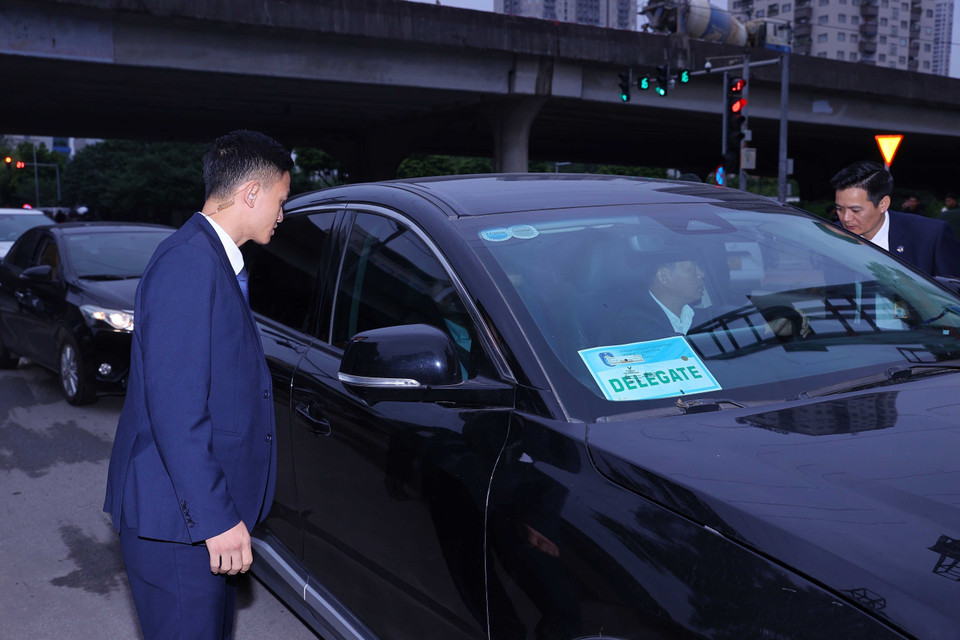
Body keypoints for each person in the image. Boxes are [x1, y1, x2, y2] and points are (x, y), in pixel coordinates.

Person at [103, 130, 293, 640]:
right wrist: (215, 519)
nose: (281, 213)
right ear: (251, 192)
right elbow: (176, 409)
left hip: (188, 523)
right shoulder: (188, 262)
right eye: (280, 200)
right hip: (177, 525)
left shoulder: (211, 259)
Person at [831, 161, 960, 278]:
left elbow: (951, 296)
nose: (846, 218)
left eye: (855, 210)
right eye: (840, 209)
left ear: (883, 204)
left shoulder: (930, 236)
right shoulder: (830, 237)